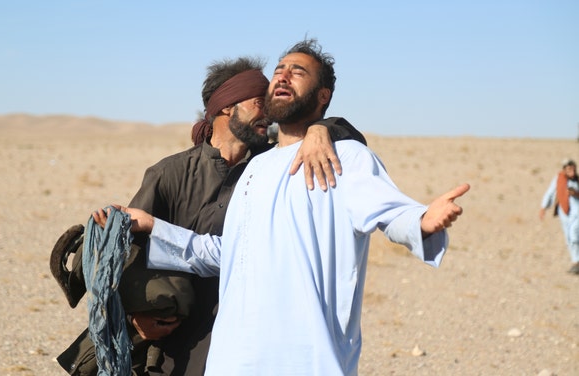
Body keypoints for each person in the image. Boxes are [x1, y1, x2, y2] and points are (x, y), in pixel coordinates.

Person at [107, 39, 470, 375]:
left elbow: (389, 212)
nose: (282, 76)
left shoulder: (344, 156)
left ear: (322, 95)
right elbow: (231, 251)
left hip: (306, 360)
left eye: (297, 72)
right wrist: (154, 226)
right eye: (279, 70)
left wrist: (421, 220)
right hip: (232, 360)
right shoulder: (255, 168)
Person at [51, 55, 367, 375]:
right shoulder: (170, 174)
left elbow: (351, 141)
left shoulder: (272, 167)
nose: (269, 114)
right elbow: (129, 254)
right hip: (178, 348)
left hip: (249, 340)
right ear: (227, 106)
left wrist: (320, 128)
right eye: (260, 102)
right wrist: (136, 317)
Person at [539, 158, 579, 274]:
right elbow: (550, 192)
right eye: (569, 169)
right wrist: (543, 207)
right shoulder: (559, 180)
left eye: (573, 168)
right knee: (568, 238)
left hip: (577, 213)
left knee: (574, 235)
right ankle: (575, 262)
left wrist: (575, 193)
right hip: (564, 213)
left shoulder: (577, 180)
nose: (572, 171)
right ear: (564, 170)